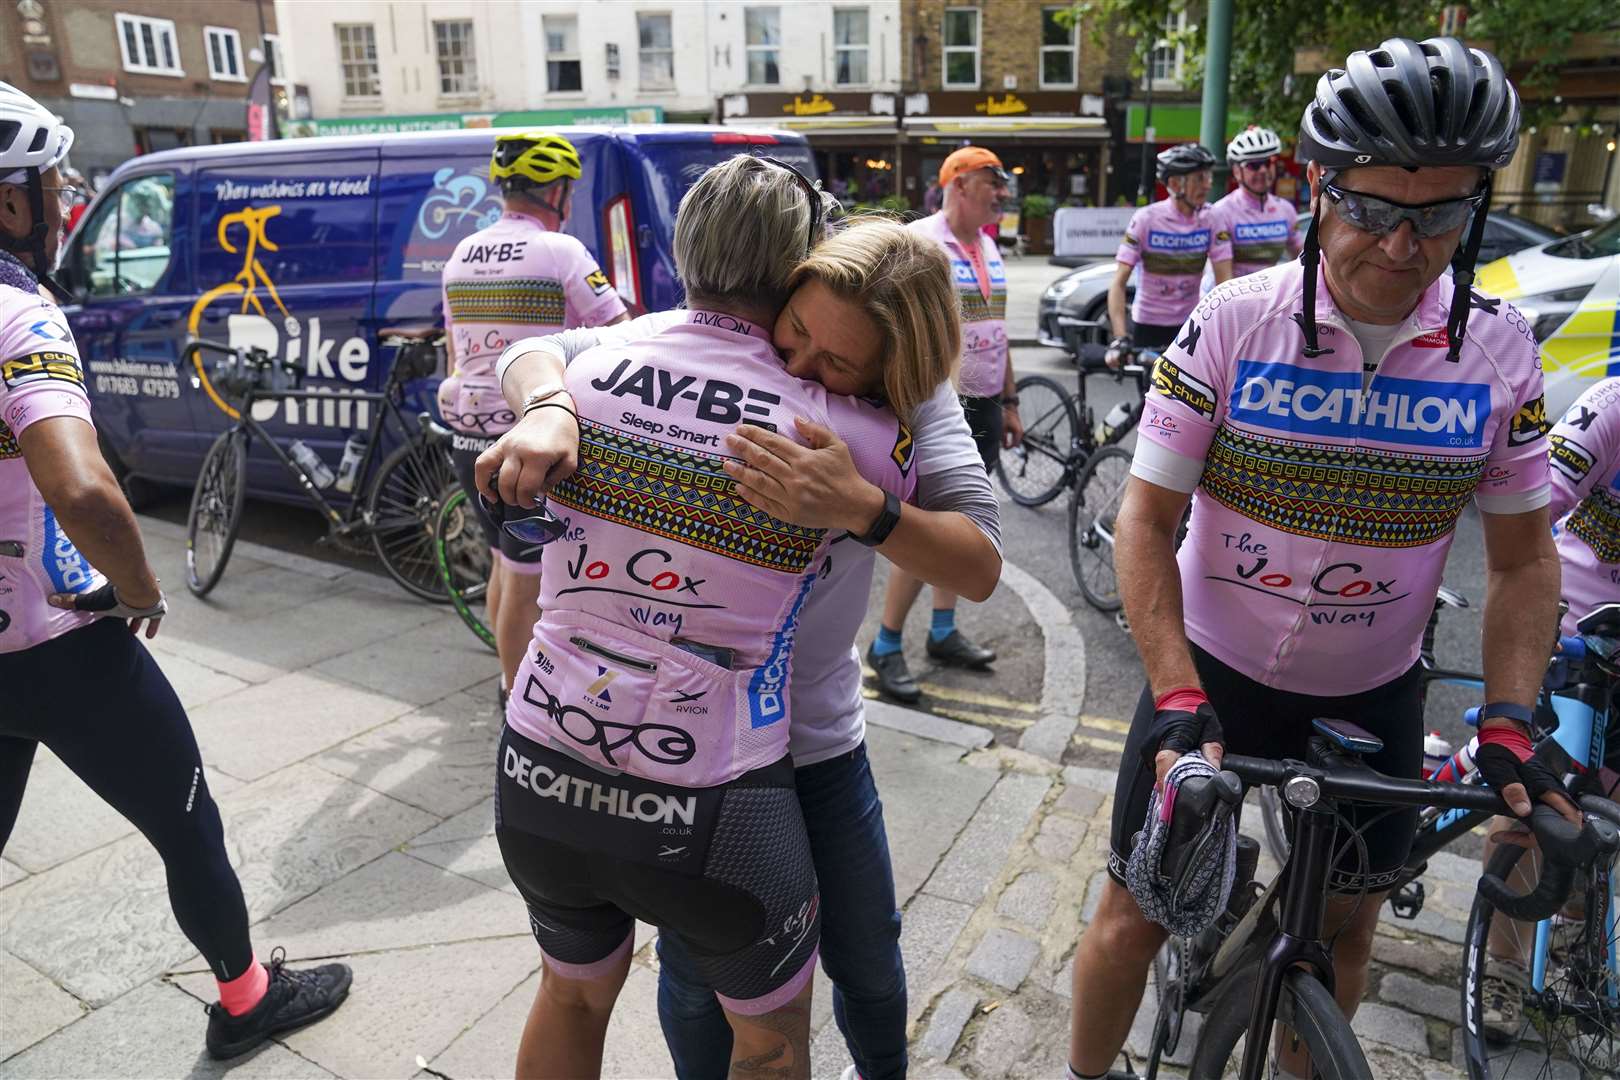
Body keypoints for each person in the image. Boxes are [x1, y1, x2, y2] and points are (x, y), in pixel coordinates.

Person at [1066, 37, 1576, 1080]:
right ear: (1317, 187)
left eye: (1438, 215)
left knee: (1344, 928)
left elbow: (1525, 563)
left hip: (1373, 689)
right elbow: (1145, 520)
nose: (1402, 245)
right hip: (1209, 677)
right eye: (1375, 209)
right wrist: (1170, 693)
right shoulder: (1232, 322)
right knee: (1135, 916)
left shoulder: (1501, 351)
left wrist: (1515, 717)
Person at [479, 163, 991, 1080]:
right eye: (798, 335)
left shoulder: (601, 363)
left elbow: (978, 558)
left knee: (582, 993)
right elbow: (531, 357)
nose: (804, 365)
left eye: (836, 362)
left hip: (563, 755)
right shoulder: (856, 429)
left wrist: (865, 511)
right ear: (796, 269)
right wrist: (547, 400)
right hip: (721, 778)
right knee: (749, 1028)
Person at [0, 80, 351, 1063]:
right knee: (186, 823)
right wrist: (142, 594)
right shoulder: (19, 314)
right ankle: (246, 1003)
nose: (66, 199)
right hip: (61, 643)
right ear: (8, 199)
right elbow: (85, 492)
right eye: (52, 182)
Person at [437, 130, 627, 704]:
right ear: (556, 190)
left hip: (465, 434)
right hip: (524, 438)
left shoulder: (461, 254)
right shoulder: (560, 251)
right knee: (526, 581)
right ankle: (514, 702)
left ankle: (505, 677)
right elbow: (621, 337)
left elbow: (455, 350)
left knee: (502, 564)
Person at [1476, 374, 1620, 1034]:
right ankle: (1500, 967)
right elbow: (1535, 505)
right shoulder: (1611, 406)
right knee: (1528, 804)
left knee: (1608, 813)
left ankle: (1576, 943)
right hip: (1573, 624)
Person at [866, 145, 1023, 703]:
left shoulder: (988, 246)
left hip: (981, 403)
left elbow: (996, 331)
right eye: (992, 181)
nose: (1001, 192)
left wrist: (1010, 401)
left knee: (964, 525)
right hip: (933, 405)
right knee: (932, 526)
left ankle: (941, 631)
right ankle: (885, 645)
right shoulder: (924, 242)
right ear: (958, 184)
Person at [1103, 143, 1215, 371]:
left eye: (1208, 177)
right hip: (1148, 326)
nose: (1207, 184)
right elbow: (1118, 282)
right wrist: (1120, 337)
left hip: (1189, 327)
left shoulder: (1211, 218)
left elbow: (1225, 281)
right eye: (1199, 178)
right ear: (1175, 184)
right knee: (1151, 401)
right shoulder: (1146, 219)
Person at [1208, 126, 1303, 284]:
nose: (1264, 170)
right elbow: (1223, 279)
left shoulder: (1286, 210)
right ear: (1237, 171)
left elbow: (1303, 261)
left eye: (1268, 162)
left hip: (1269, 300)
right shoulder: (1221, 212)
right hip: (1232, 298)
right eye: (1254, 165)